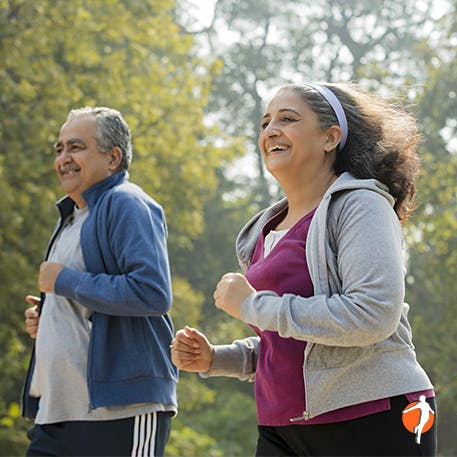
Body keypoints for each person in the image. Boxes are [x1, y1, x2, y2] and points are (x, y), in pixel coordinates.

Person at [171, 82, 437, 456]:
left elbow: (373, 314)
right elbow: (293, 342)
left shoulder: (361, 204)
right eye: (265, 123)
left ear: (331, 137)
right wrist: (218, 358)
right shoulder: (263, 230)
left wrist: (253, 305)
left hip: (374, 415)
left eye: (288, 119)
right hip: (283, 426)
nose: (271, 130)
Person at [22, 107, 177, 457]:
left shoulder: (127, 203)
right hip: (56, 412)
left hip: (120, 412)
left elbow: (151, 292)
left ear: (113, 157)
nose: (64, 158)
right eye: (59, 149)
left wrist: (65, 282)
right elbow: (86, 295)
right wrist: (49, 316)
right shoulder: (71, 217)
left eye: (75, 147)